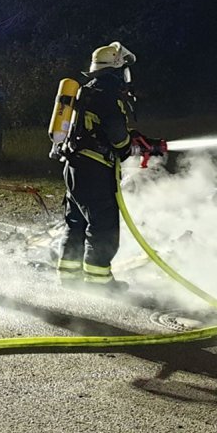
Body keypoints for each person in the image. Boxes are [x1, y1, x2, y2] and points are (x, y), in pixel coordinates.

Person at [56, 41, 142, 292]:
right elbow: (118, 137)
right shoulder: (109, 96)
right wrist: (129, 147)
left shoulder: (85, 92)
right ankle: (99, 282)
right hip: (94, 169)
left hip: (73, 166)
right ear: (116, 69)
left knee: (76, 222)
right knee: (103, 225)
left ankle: (68, 276)